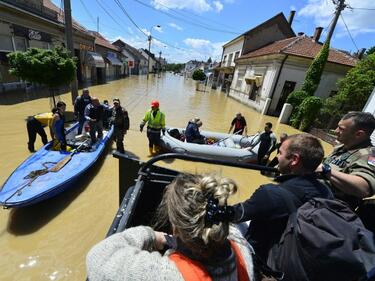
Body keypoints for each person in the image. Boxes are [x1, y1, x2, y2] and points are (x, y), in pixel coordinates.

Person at [86, 173, 255, 281]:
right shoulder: (241, 248)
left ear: (175, 228)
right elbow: (228, 227)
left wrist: (151, 235)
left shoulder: (166, 274)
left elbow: (98, 258)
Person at [231, 134, 333, 262]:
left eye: (280, 153)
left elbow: (235, 214)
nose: (277, 157)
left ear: (294, 159)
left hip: (265, 261)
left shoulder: (270, 193)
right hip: (302, 259)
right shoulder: (326, 191)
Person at [317, 112, 375, 211]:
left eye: (341, 129)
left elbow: (363, 188)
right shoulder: (342, 147)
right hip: (314, 194)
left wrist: (325, 170)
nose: (335, 131)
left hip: (329, 208)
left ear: (359, 134)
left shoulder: (369, 155)